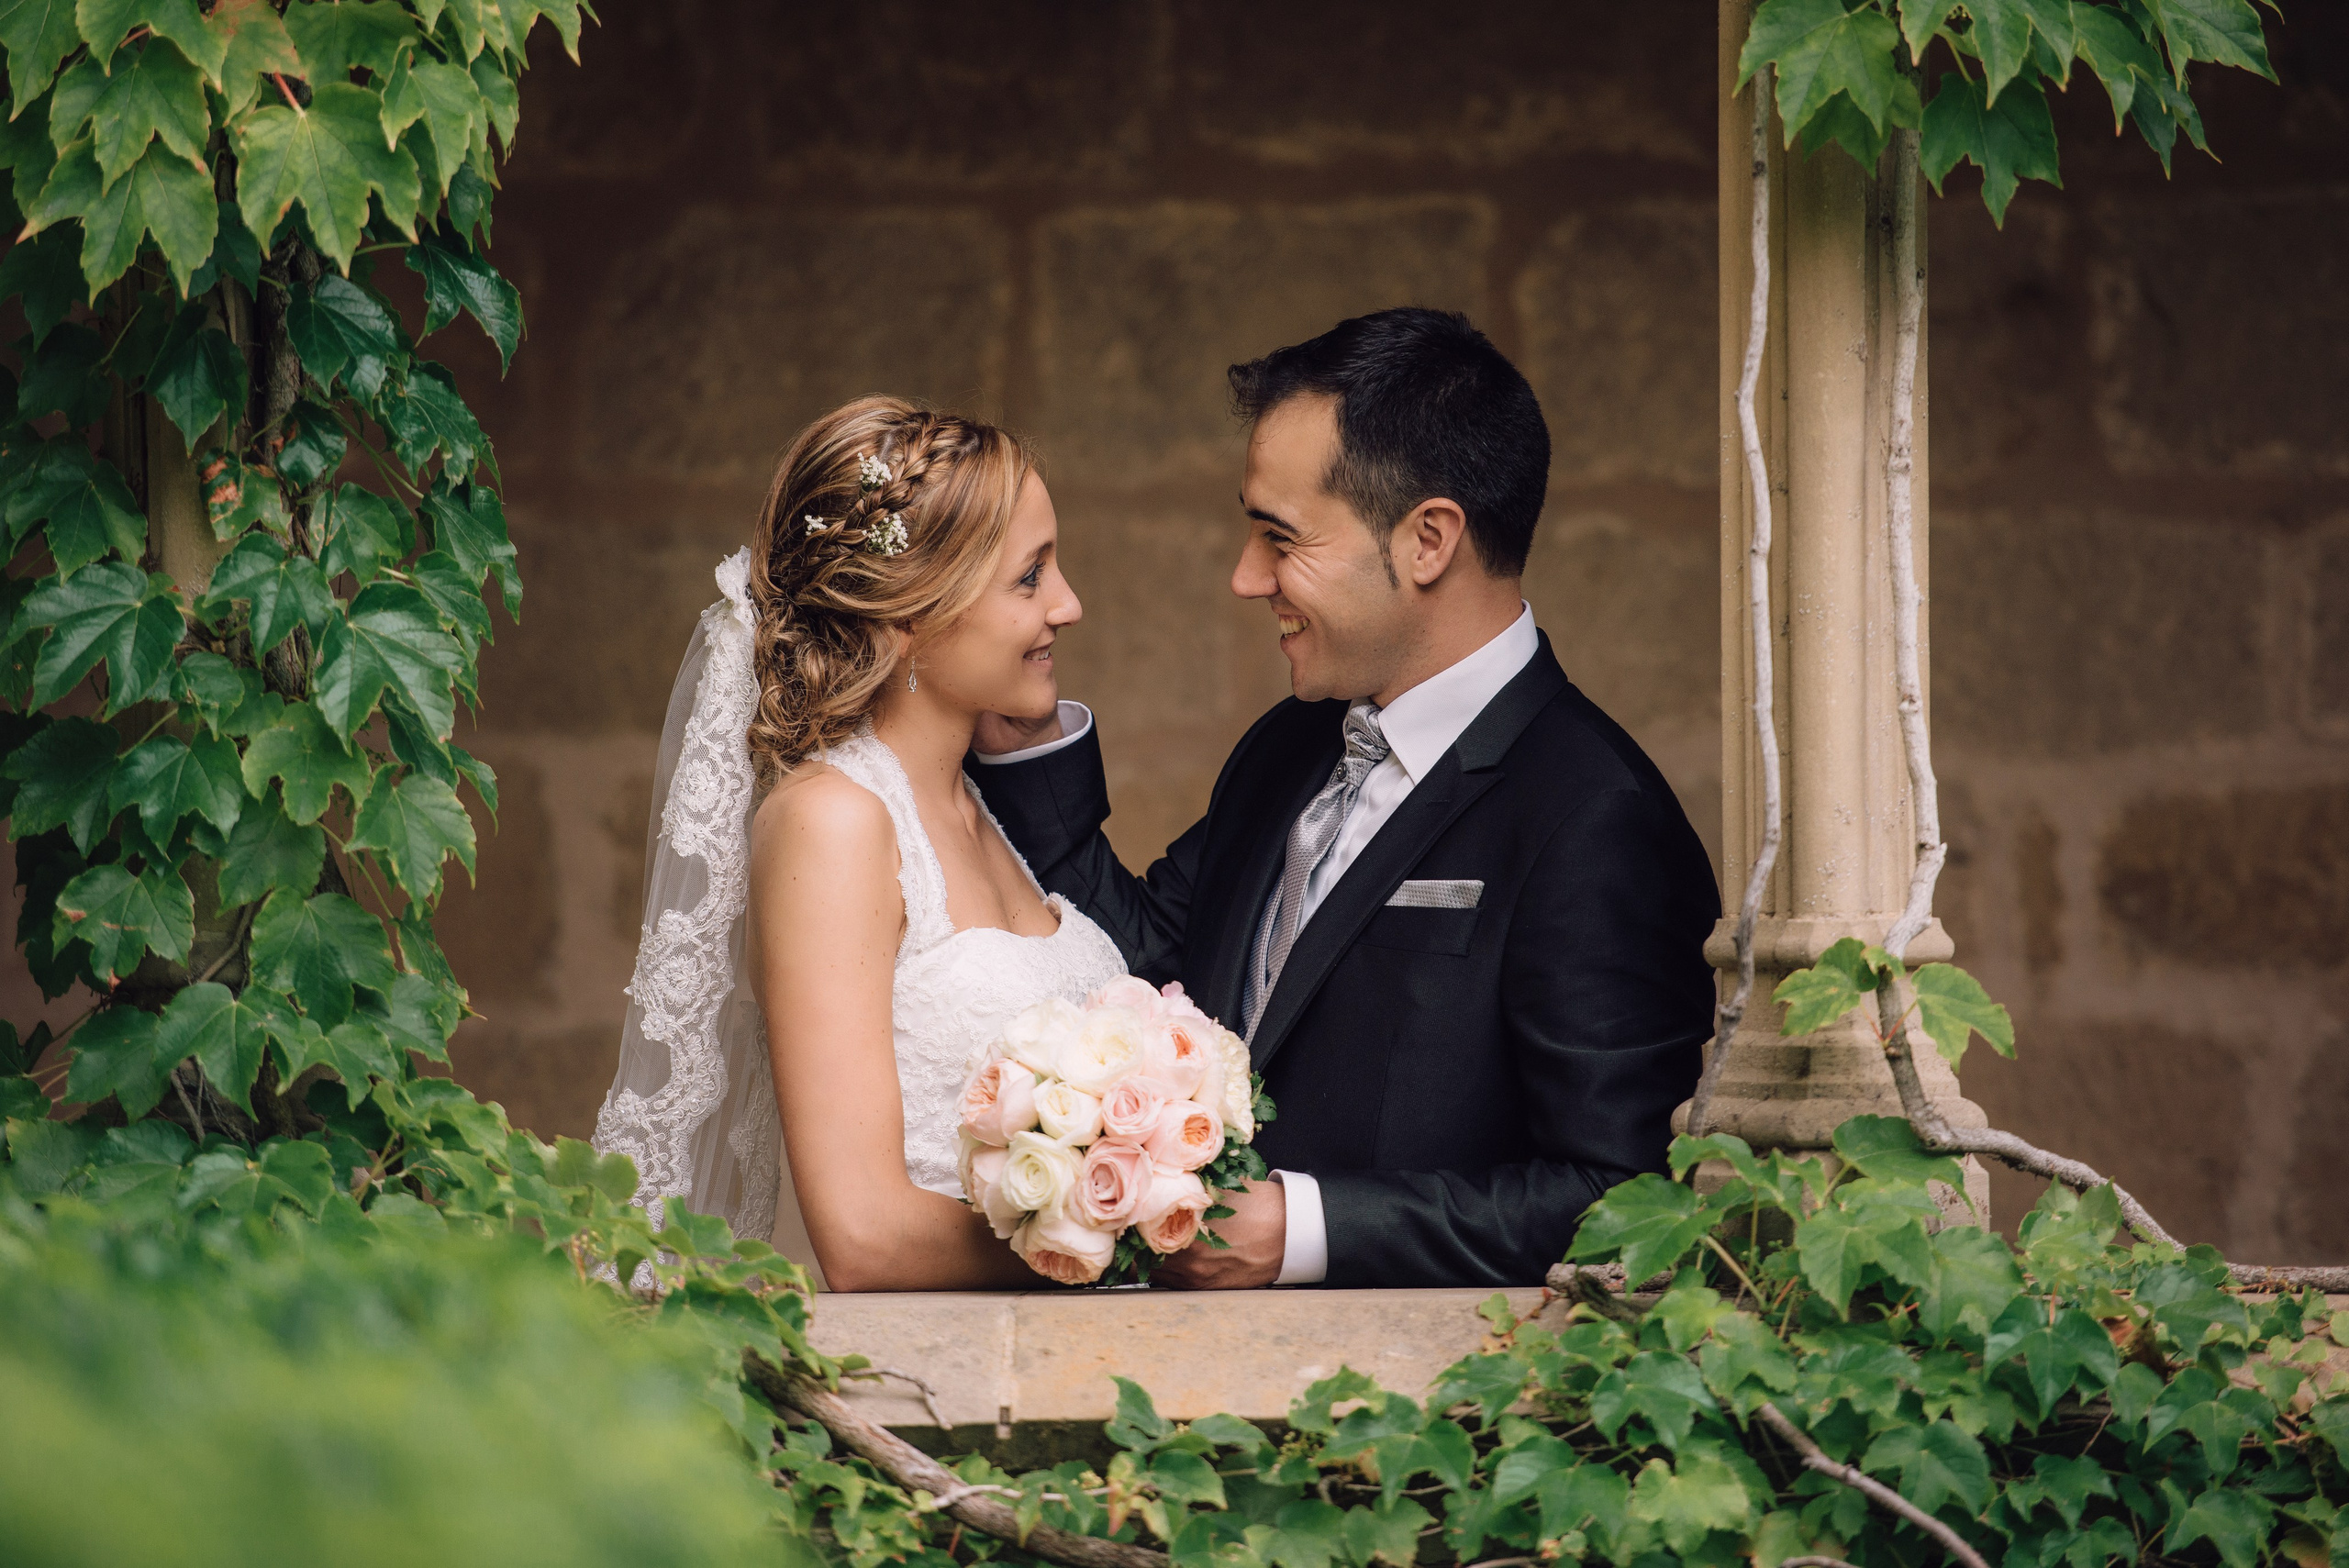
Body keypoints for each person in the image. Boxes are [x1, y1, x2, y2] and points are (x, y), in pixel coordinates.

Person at [969, 308, 1720, 1289]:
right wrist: (1022, 748)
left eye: (1279, 538)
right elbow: (1149, 966)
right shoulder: (1291, 745)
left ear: (1427, 541)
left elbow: (1631, 1198)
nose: (1246, 578)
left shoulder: (1593, 816)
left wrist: (1312, 1228)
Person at [593, 397, 1127, 1291]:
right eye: (1030, 576)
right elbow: (863, 1233)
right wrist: (1129, 1228)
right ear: (911, 614)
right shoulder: (834, 822)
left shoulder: (977, 802)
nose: (1069, 604)